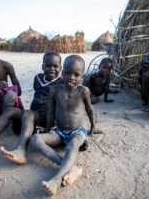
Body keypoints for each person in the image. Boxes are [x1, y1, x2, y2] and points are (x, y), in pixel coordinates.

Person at [0, 51, 63, 160]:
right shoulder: (38, 78)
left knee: (27, 113)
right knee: (10, 111)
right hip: (35, 113)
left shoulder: (62, 83)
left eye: (55, 66)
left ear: (60, 68)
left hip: (47, 118)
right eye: (48, 65)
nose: (52, 69)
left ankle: (21, 151)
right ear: (42, 66)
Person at [30, 55, 99, 196]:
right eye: (67, 73)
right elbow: (50, 112)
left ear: (82, 77)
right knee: (35, 139)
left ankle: (56, 180)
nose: (71, 77)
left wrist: (93, 126)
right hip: (59, 131)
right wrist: (48, 130)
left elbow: (90, 110)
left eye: (76, 74)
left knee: (71, 146)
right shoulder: (55, 90)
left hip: (77, 132)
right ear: (62, 73)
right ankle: (71, 167)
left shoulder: (83, 91)